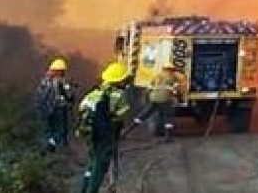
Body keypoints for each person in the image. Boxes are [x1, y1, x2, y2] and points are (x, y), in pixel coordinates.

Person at [75, 62, 132, 193]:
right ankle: (92, 190)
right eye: (124, 79)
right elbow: (122, 115)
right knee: (101, 164)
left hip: (88, 132)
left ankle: (84, 189)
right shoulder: (118, 95)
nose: (125, 82)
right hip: (104, 133)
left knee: (92, 161)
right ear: (119, 80)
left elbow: (82, 109)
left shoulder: (94, 92)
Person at [36, 58, 77, 152]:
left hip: (46, 109)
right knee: (61, 130)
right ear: (60, 71)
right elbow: (69, 95)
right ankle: (54, 147)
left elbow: (39, 95)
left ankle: (49, 146)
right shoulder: (62, 82)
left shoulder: (45, 81)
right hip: (59, 108)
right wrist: (71, 99)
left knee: (50, 129)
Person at [135, 64, 183, 141]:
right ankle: (168, 137)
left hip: (153, 98)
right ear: (171, 70)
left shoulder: (156, 75)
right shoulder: (173, 78)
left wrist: (145, 96)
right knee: (168, 118)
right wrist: (179, 97)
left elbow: (149, 87)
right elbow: (176, 90)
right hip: (165, 99)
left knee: (145, 114)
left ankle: (128, 131)